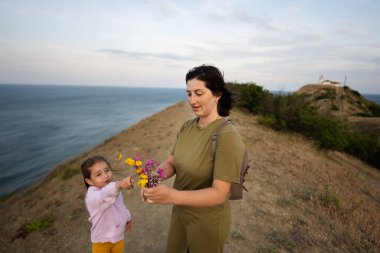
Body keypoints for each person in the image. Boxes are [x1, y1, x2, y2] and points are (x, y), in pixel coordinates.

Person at [142, 64, 246, 253]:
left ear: (217, 95)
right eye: (189, 94)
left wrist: (172, 195)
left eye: (199, 93)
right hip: (180, 213)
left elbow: (220, 193)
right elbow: (172, 162)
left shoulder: (227, 137)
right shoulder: (186, 127)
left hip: (208, 223)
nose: (192, 100)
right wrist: (152, 179)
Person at [81, 155, 133, 253]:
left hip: (118, 237)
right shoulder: (92, 197)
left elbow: (121, 207)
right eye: (98, 174)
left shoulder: (113, 188)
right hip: (101, 241)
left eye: (107, 170)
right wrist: (118, 185)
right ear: (89, 181)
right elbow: (103, 195)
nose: (105, 176)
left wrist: (128, 218)